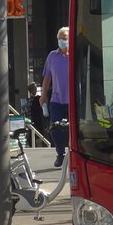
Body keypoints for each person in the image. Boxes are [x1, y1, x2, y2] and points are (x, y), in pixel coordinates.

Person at [41, 26, 71, 166]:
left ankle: (73, 154)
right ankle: (60, 154)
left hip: (73, 100)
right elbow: (47, 77)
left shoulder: (76, 54)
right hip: (57, 99)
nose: (62, 41)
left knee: (74, 129)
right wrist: (43, 95)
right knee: (55, 128)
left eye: (64, 38)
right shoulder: (52, 56)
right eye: (59, 39)